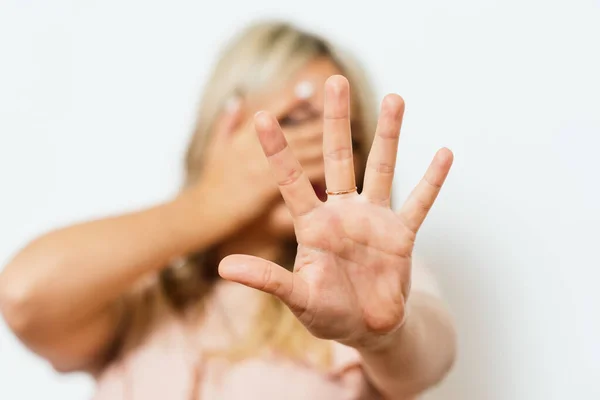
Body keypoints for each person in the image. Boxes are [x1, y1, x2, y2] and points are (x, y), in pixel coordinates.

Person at [0, 21, 456, 399]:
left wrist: (381, 335)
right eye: (296, 121)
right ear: (224, 126)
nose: (321, 148)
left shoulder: (374, 285)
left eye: (345, 135)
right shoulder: (137, 297)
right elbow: (24, 295)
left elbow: (426, 359)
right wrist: (211, 201)